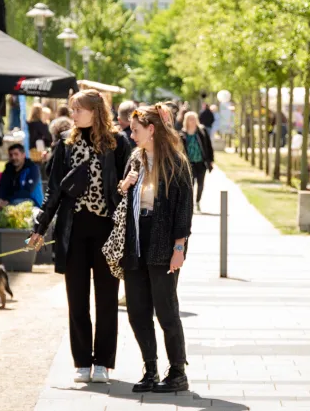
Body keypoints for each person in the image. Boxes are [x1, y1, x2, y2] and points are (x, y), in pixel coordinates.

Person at [29, 89, 131, 384]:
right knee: (77, 298)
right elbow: (54, 191)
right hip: (73, 230)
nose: (72, 115)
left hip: (107, 231)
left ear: (95, 111)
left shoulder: (117, 143)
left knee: (107, 299)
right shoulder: (65, 143)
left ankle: (103, 363)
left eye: (77, 110)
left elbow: (125, 189)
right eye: (72, 110)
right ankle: (82, 361)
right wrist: (39, 227)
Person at [118, 104, 193, 393]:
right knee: (137, 310)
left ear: (151, 130)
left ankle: (177, 371)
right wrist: (125, 185)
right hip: (136, 240)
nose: (132, 135)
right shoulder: (135, 159)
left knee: (166, 309)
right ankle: (149, 368)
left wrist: (179, 246)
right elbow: (121, 199)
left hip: (164, 240)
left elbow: (184, 208)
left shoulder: (175, 162)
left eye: (136, 130)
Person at [179, 112, 214, 213]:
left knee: (200, 184)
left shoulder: (202, 131)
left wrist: (211, 160)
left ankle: (198, 202)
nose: (192, 121)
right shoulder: (182, 133)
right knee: (190, 185)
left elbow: (209, 146)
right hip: (189, 164)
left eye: (194, 119)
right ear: (186, 121)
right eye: (190, 119)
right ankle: (190, 204)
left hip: (201, 162)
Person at [0, 143, 44, 210]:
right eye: (11, 155)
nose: (13, 157)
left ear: (23, 155)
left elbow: (27, 191)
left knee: (14, 204)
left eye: (16, 154)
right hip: (9, 199)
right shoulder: (9, 168)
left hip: (32, 201)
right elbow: (2, 185)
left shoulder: (32, 168)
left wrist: (8, 200)